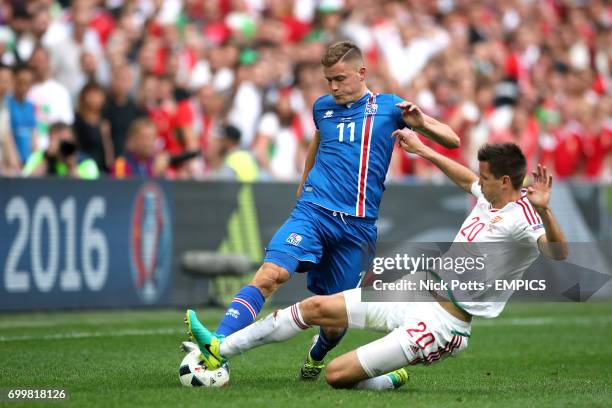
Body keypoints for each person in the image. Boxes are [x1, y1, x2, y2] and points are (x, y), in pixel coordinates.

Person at [185, 139, 568, 391]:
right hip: (417, 290)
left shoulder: (525, 216)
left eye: (485, 177)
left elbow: (557, 254)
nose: (478, 182)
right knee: (316, 307)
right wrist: (423, 150)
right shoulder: (489, 196)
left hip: (442, 324)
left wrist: (548, 212)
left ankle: (391, 376)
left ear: (504, 181)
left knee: (337, 376)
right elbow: (466, 178)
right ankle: (221, 347)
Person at [205, 40, 460, 380]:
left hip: (356, 228)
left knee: (335, 323)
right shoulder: (322, 107)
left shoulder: (390, 108)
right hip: (313, 212)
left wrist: (422, 123)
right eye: (329, 80)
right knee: (271, 275)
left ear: (362, 73)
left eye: (340, 78)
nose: (334, 87)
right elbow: (318, 139)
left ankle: (316, 354)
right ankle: (215, 347)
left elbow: (452, 140)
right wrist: (304, 181)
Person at [22, 122, 99, 179]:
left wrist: (71, 165)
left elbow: (86, 190)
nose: (62, 146)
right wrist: (47, 158)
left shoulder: (86, 162)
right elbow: (27, 183)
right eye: (58, 141)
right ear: (50, 140)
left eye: (65, 141)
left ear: (73, 141)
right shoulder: (38, 157)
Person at [8, 64, 37, 164]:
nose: (24, 87)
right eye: (21, 82)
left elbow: (33, 135)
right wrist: (14, 161)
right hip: (12, 162)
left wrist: (34, 161)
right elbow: (8, 135)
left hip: (28, 161)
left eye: (28, 83)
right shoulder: (7, 104)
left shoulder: (30, 106)